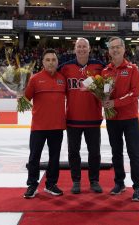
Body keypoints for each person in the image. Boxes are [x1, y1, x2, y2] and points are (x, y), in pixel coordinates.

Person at [59, 38, 105, 194]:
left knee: (95, 152)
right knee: (73, 152)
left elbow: (108, 84)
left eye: (84, 46)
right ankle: (76, 181)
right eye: (79, 46)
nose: (81, 49)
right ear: (74, 49)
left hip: (93, 118)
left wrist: (106, 95)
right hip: (72, 118)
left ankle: (94, 181)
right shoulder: (65, 67)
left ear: (89, 48)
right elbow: (53, 78)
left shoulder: (99, 66)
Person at [102, 37, 139, 201]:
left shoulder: (132, 69)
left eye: (118, 47)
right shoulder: (105, 71)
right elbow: (105, 92)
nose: (115, 50)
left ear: (124, 49)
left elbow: (135, 93)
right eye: (112, 48)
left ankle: (138, 186)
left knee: (134, 153)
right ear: (109, 51)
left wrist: (115, 103)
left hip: (130, 119)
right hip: (112, 120)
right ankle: (119, 182)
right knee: (116, 153)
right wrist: (103, 99)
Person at [23, 49, 66, 199]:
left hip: (57, 126)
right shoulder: (35, 79)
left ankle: (51, 184)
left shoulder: (63, 79)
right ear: (43, 62)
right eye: (47, 60)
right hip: (39, 127)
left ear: (57, 62)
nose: (51, 62)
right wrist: (19, 94)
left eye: (53, 60)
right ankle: (32, 185)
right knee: (34, 157)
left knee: (54, 158)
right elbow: (25, 100)